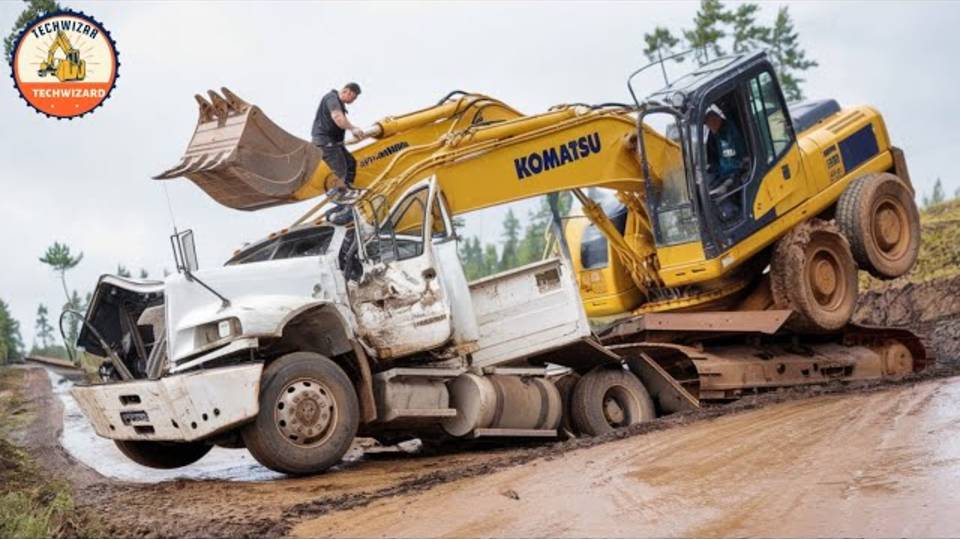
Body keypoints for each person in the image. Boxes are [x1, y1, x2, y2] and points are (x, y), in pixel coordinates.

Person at [312, 82, 365, 199]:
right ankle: (338, 193)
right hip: (325, 142)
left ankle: (348, 189)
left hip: (335, 143)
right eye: (354, 98)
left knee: (350, 163)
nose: (353, 101)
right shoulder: (332, 98)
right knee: (340, 168)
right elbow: (338, 118)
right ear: (347, 91)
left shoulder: (339, 103)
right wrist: (352, 128)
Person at [704, 106, 748, 222]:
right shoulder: (713, 135)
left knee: (722, 192)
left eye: (710, 124)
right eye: (707, 125)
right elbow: (712, 159)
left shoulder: (732, 131)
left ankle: (733, 215)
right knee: (707, 188)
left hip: (737, 170)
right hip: (724, 172)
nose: (709, 127)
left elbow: (742, 153)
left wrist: (740, 166)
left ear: (716, 119)